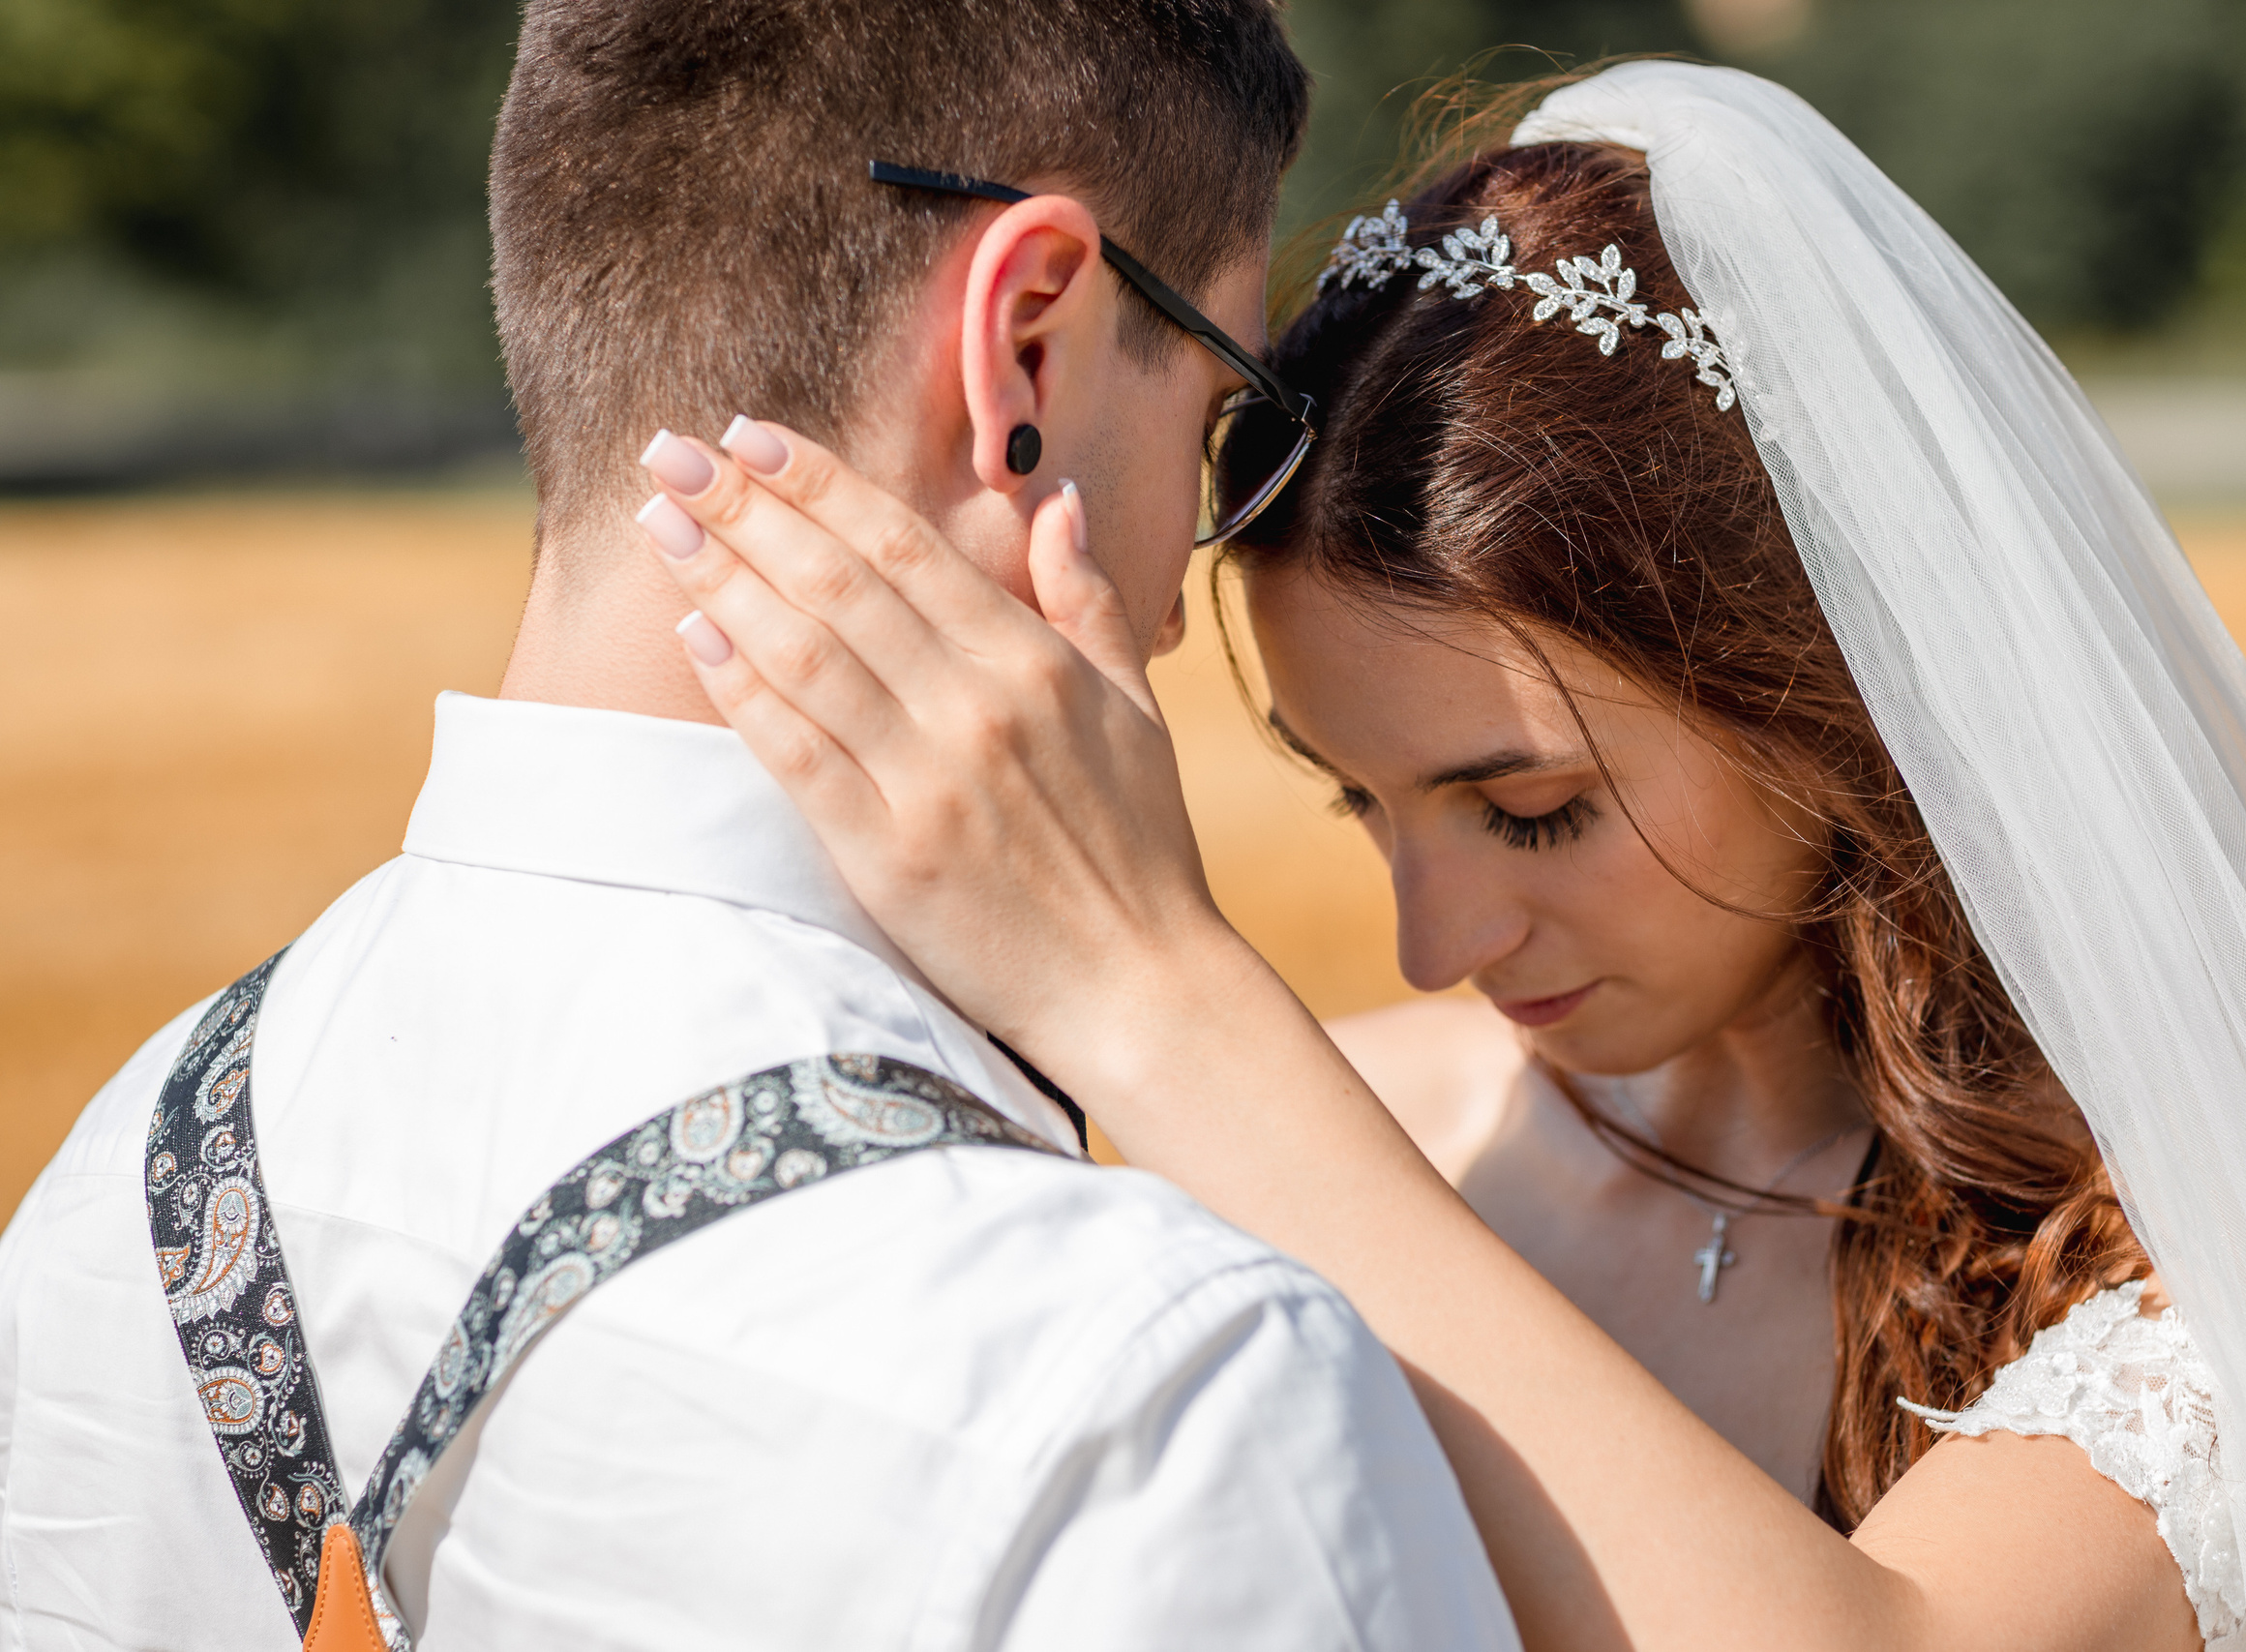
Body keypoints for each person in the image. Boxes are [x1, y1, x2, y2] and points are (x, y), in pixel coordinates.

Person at [638, 60, 2246, 1652]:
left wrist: (1156, 993)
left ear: (1820, 688)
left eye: (1530, 810)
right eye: (1363, 803)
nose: (1435, 943)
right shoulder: (1357, 1126)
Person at [0, 4, 1522, 1646]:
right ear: (1024, 348)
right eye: (1220, 417)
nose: (1179, 594)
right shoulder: (1162, 1395)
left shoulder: (102, 1187)